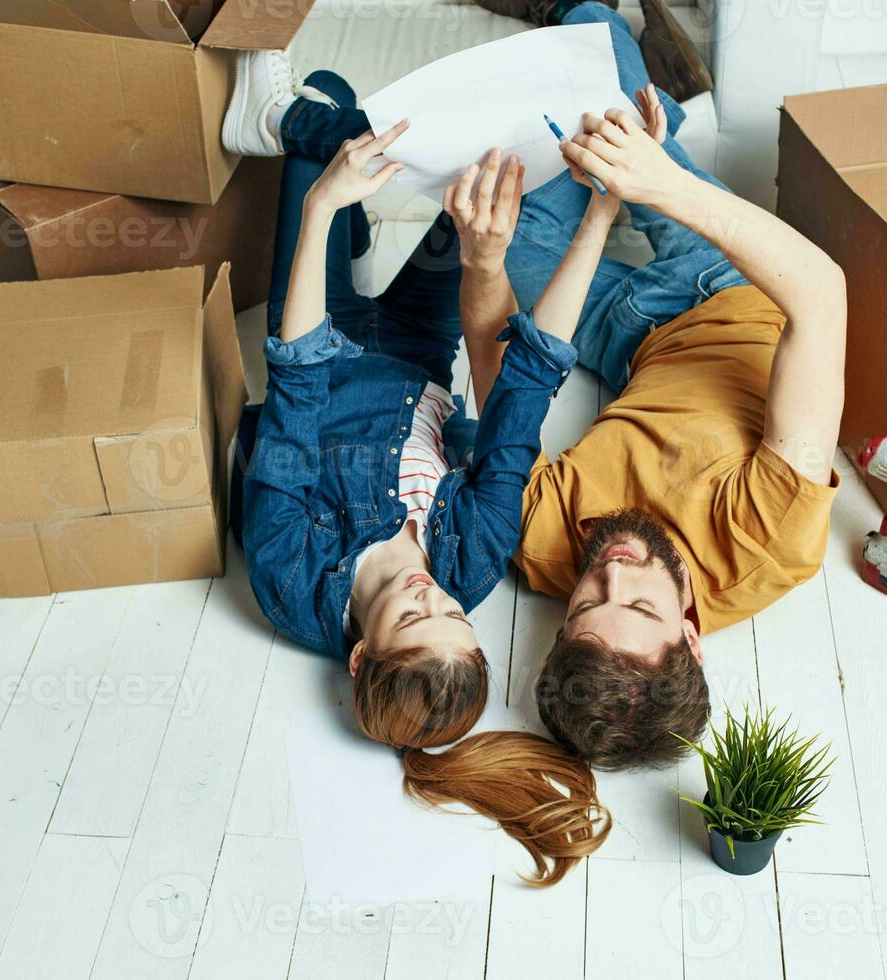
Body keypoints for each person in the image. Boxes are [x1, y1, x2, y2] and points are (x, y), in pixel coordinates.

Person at [224, 56, 613, 883]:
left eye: (411, 617)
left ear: (361, 657)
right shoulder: (469, 566)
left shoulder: (287, 581)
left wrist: (327, 207)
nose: (430, 594)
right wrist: (603, 216)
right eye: (454, 615)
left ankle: (291, 141)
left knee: (324, 122)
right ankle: (322, 160)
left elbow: (294, 384)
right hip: (410, 344)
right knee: (497, 173)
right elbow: (523, 396)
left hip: (320, 350)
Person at [472, 1, 848, 770]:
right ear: (689, 633)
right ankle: (629, 64)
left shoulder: (545, 549)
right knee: (610, 118)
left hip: (626, 333)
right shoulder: (762, 542)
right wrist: (658, 182)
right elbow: (820, 291)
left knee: (521, 162)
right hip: (741, 287)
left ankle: (622, 70)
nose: (610, 568)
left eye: (585, 605)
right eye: (638, 602)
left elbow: (499, 365)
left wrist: (487, 261)